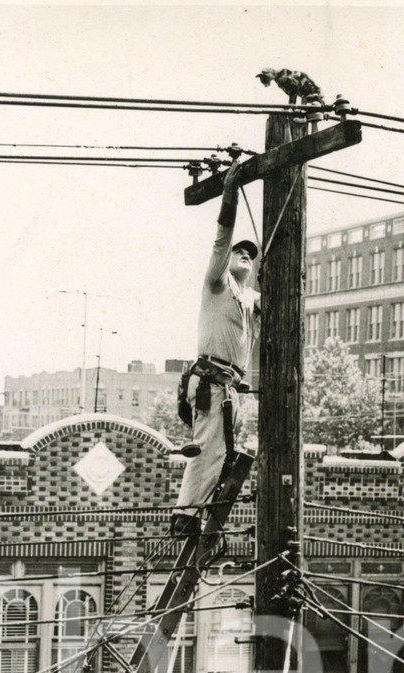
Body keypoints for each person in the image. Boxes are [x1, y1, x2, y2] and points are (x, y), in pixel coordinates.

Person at [172, 155, 260, 541]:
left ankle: (198, 513)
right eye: (241, 252)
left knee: (221, 454)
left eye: (251, 255)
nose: (246, 255)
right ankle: (185, 518)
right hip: (210, 379)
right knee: (209, 449)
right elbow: (223, 236)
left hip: (229, 388)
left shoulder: (249, 297)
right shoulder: (217, 284)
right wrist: (230, 190)